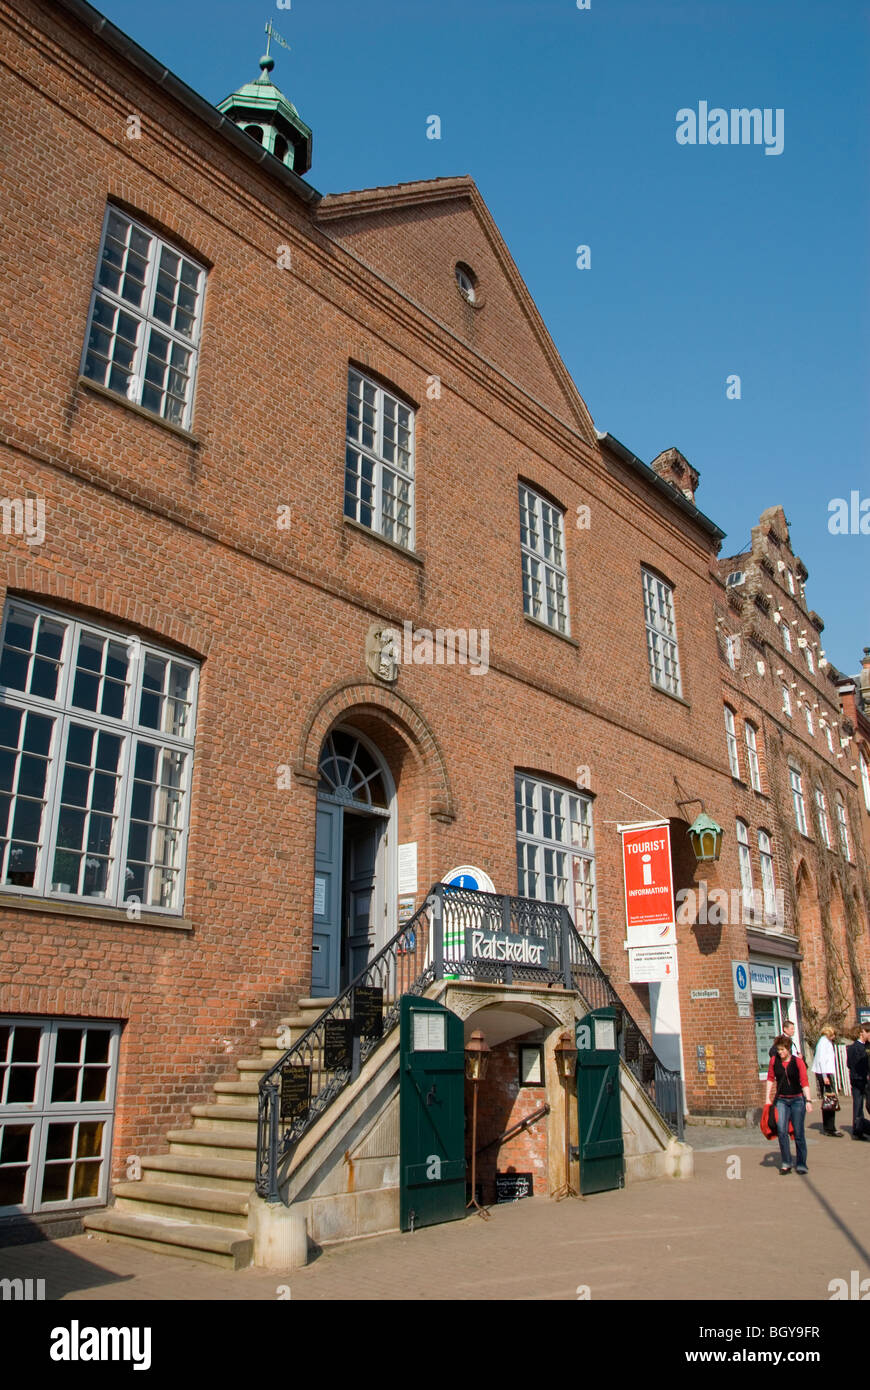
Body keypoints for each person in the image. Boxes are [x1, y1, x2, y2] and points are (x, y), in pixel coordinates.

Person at [765, 1033, 812, 1173]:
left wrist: (808, 1100)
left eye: (783, 1050)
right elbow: (770, 1078)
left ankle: (802, 1163)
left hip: (797, 1099)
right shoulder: (774, 1061)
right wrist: (767, 1097)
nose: (780, 1053)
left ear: (788, 1049)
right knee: (781, 1130)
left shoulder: (797, 1062)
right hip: (782, 1100)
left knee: (798, 1132)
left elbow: (804, 1081)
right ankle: (786, 1162)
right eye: (778, 1050)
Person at [811, 1025, 841, 1136]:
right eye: (832, 1035)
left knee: (829, 1099)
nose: (834, 1037)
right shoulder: (823, 1043)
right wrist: (825, 1076)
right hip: (825, 1074)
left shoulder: (825, 1042)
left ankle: (830, 1127)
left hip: (826, 1073)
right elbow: (821, 1060)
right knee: (830, 1100)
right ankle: (830, 1128)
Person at [846, 1023, 870, 1141]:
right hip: (860, 1080)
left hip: (856, 1078)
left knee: (858, 1104)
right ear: (862, 1033)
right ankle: (858, 1129)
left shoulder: (852, 1047)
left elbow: (848, 1064)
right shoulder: (859, 1048)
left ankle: (858, 1128)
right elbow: (857, 1064)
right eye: (868, 1032)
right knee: (859, 1105)